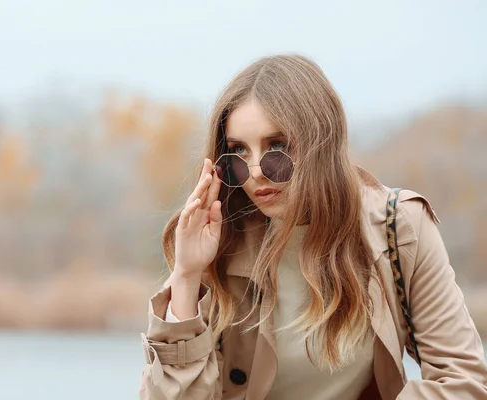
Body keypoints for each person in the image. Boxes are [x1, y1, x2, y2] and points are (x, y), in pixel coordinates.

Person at [138, 54, 487, 400]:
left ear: (322, 142)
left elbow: (463, 381)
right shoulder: (220, 242)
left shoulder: (398, 227)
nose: (256, 170)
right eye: (239, 152)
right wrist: (186, 276)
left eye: (277, 146)